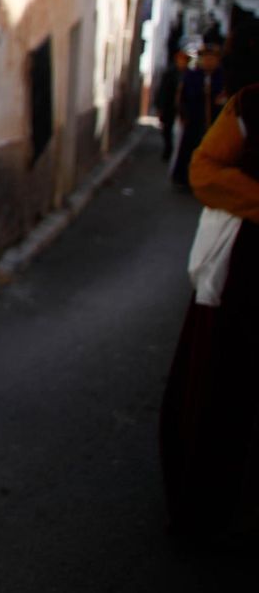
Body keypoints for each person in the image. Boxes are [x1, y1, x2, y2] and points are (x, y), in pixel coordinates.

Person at [159, 83, 259, 543]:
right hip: (247, 275)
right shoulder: (252, 104)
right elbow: (206, 170)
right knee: (225, 383)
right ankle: (206, 509)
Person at [172, 41, 225, 188]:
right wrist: (184, 115)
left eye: (212, 58)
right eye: (206, 58)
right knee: (189, 149)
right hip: (194, 120)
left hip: (215, 124)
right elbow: (183, 97)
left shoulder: (222, 78)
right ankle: (184, 178)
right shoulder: (192, 76)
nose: (208, 61)